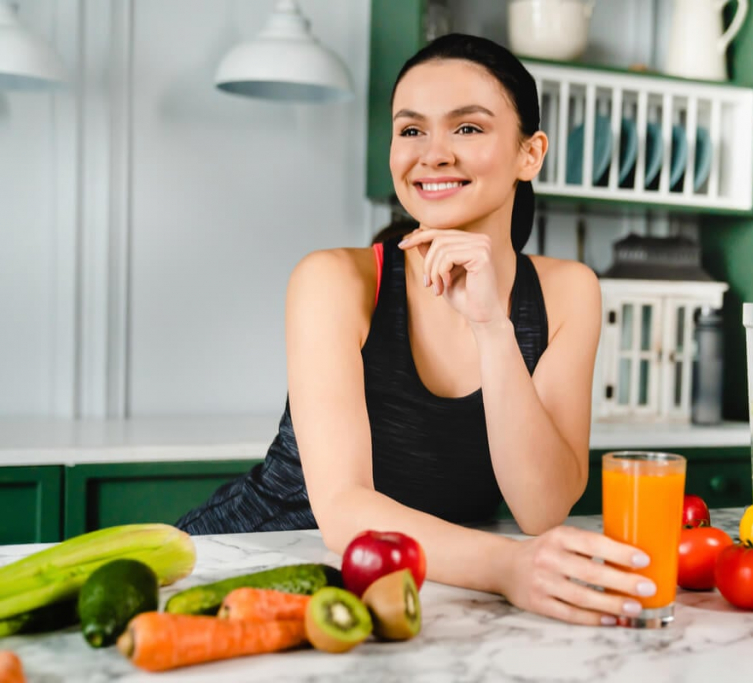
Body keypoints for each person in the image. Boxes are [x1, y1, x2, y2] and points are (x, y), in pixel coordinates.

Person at [177, 33, 655, 626]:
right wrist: (508, 568)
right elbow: (342, 509)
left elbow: (543, 507)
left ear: (530, 155)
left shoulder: (566, 292)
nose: (433, 154)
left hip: (415, 589)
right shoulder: (334, 281)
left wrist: (491, 326)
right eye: (411, 130)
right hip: (249, 563)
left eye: (468, 128)